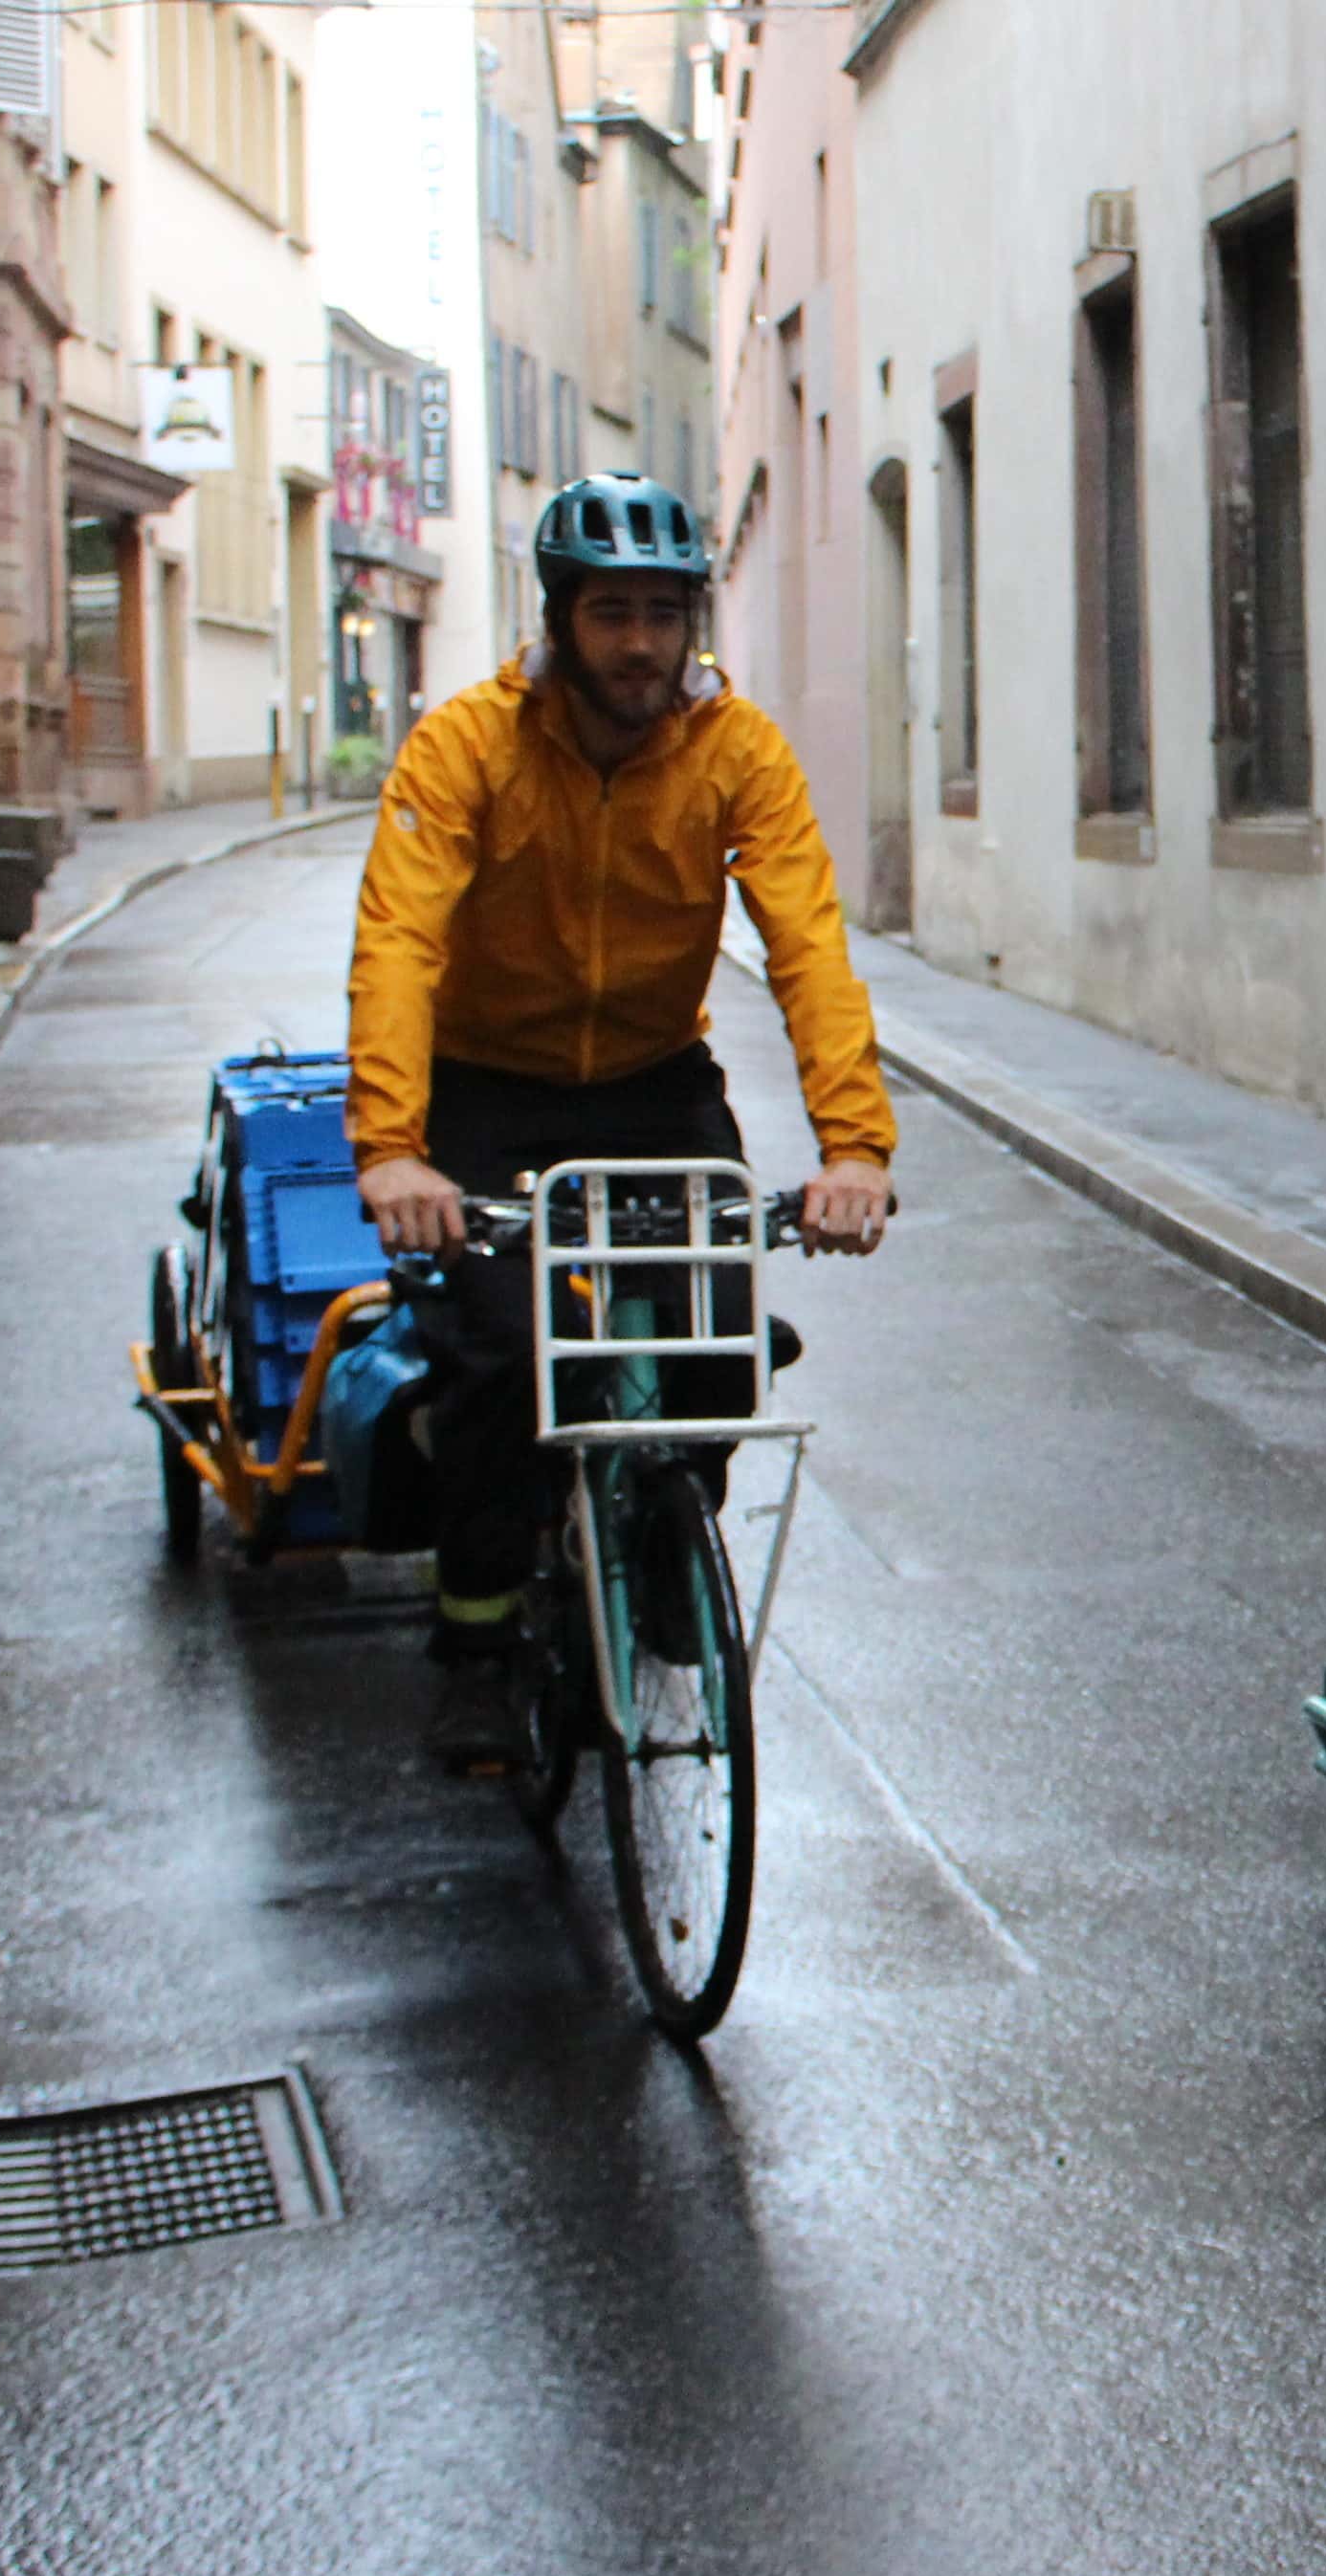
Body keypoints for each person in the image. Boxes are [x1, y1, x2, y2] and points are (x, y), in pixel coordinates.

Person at [345, 470, 895, 1772]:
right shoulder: (467, 746)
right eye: (610, 614)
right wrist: (391, 1145)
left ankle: (663, 1542)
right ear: (558, 620)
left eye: (662, 612)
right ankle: (476, 1649)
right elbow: (401, 941)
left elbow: (809, 945)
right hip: (486, 1084)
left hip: (654, 1078)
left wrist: (854, 1147)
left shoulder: (736, 752)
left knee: (719, 1340)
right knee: (493, 1356)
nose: (641, 643)